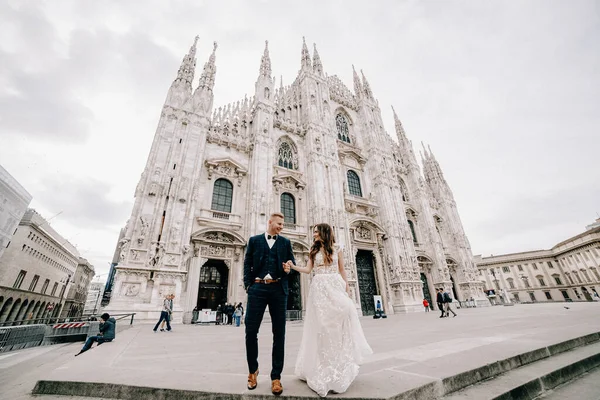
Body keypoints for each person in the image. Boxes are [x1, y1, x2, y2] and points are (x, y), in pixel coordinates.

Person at [292, 223, 372, 397]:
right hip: (319, 288)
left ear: (324, 233)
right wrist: (293, 266)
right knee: (322, 327)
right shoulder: (313, 251)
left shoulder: (337, 248)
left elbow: (342, 269)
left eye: (315, 231)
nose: (313, 234)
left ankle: (338, 364)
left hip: (335, 285)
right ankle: (322, 365)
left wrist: (347, 286)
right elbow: (307, 270)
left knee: (341, 319)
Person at [244, 212, 295, 396]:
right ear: (270, 222)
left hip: (278, 289)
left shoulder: (285, 243)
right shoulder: (255, 240)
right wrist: (248, 285)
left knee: (279, 334)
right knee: (250, 331)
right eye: (279, 223)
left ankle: (276, 377)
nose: (281, 227)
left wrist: (289, 268)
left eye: (283, 224)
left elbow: (292, 263)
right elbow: (247, 262)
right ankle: (253, 370)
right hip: (257, 288)